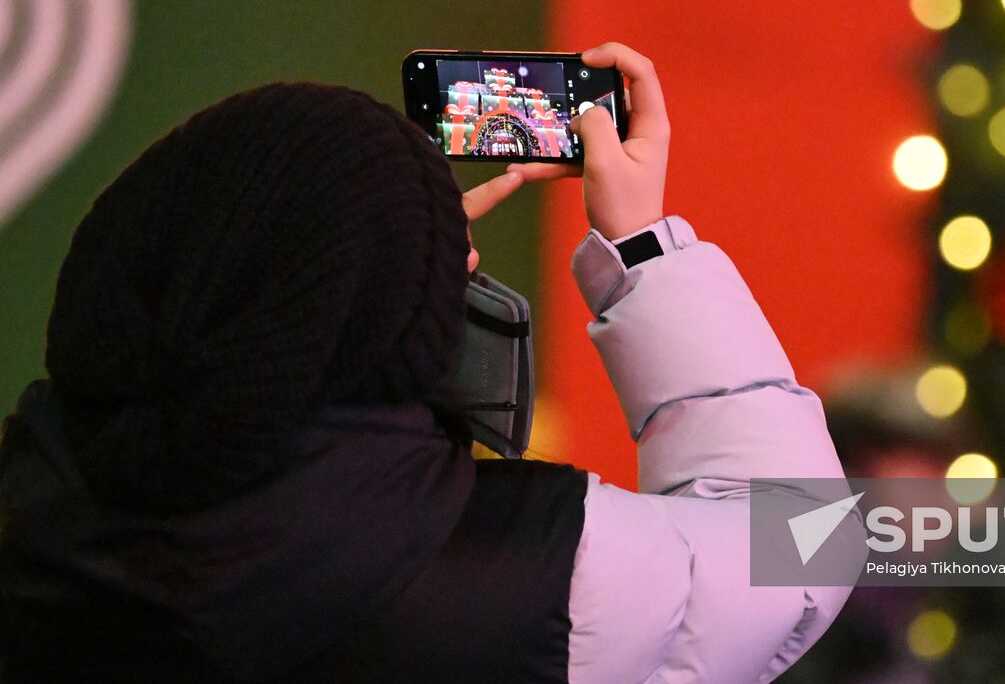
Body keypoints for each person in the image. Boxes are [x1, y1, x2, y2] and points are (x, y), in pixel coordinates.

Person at [0, 44, 852, 682]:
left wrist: (384, 278)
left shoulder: (34, 508)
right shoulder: (517, 572)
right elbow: (796, 557)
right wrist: (642, 248)